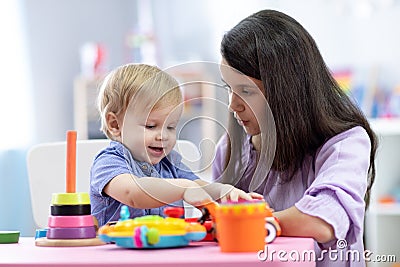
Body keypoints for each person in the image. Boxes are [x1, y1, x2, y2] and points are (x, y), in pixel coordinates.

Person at [212, 9, 377, 266]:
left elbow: (322, 221)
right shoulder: (229, 150)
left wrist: (247, 222)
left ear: (287, 89)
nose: (233, 105)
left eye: (245, 90)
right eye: (229, 89)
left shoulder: (346, 144)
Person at [90, 63, 258, 227]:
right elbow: (132, 193)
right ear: (115, 125)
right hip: (118, 253)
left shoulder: (170, 163)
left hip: (169, 251)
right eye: (151, 126)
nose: (163, 136)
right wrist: (183, 187)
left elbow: (199, 186)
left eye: (171, 127)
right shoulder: (109, 162)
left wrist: (222, 191)